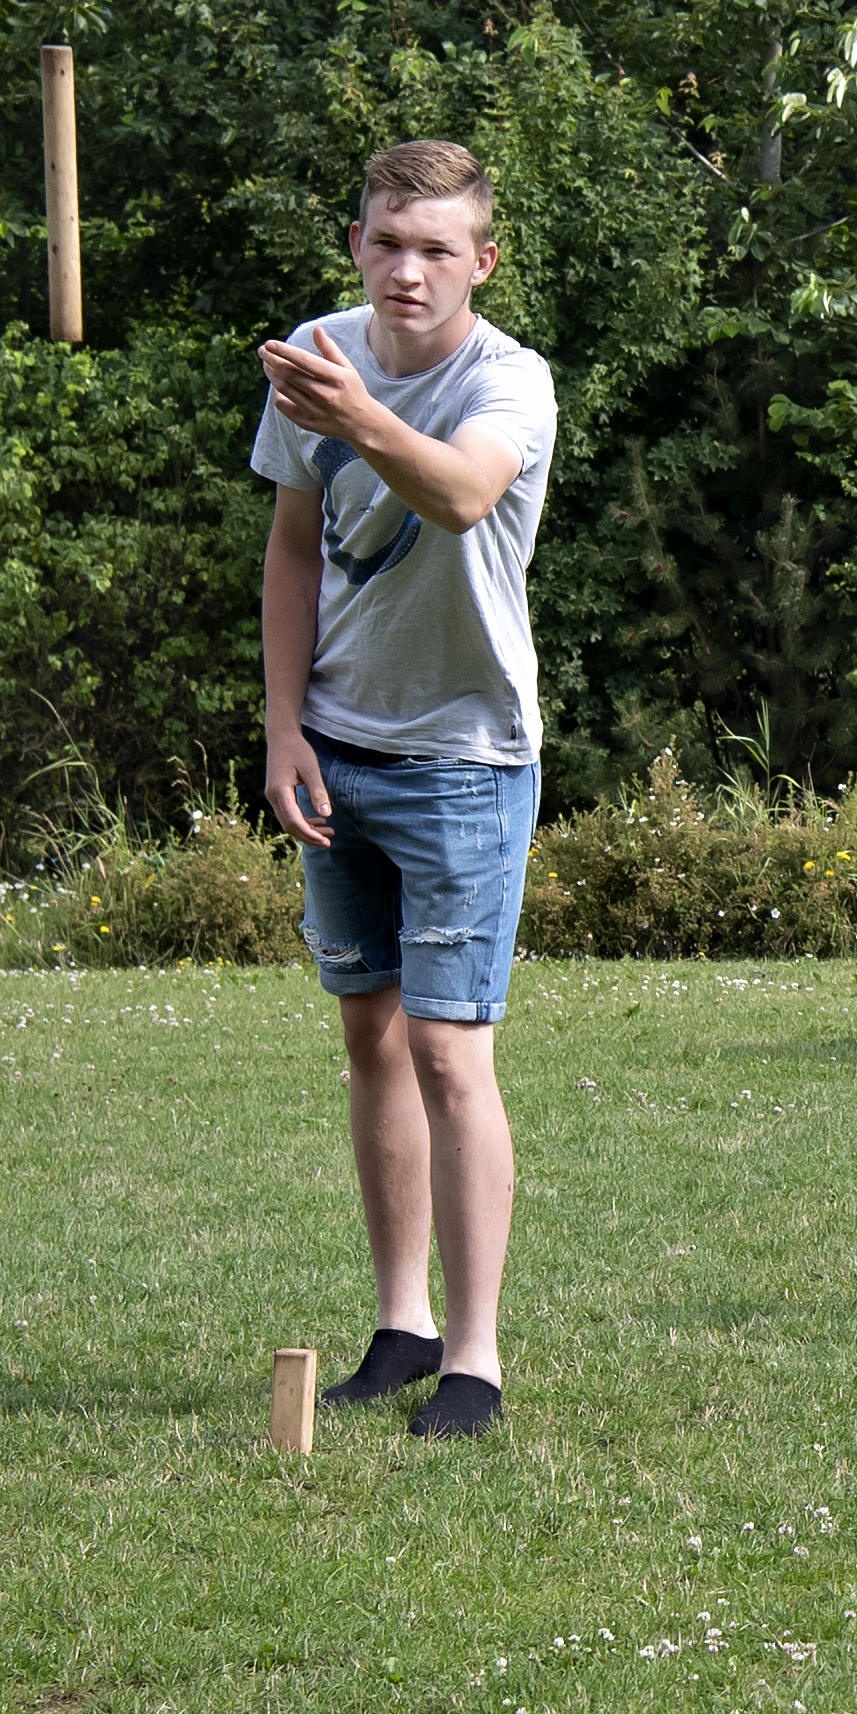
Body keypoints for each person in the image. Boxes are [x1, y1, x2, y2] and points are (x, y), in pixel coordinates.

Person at [252, 136, 561, 1442]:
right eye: (387, 242)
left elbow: (458, 493)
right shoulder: (319, 355)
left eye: (436, 248)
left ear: (482, 262)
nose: (406, 270)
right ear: (359, 247)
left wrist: (360, 415)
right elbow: (290, 549)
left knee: (450, 1046)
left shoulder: (510, 381)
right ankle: (402, 1326)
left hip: (467, 760)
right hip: (339, 740)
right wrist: (282, 729)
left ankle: (476, 1361)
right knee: (369, 1036)